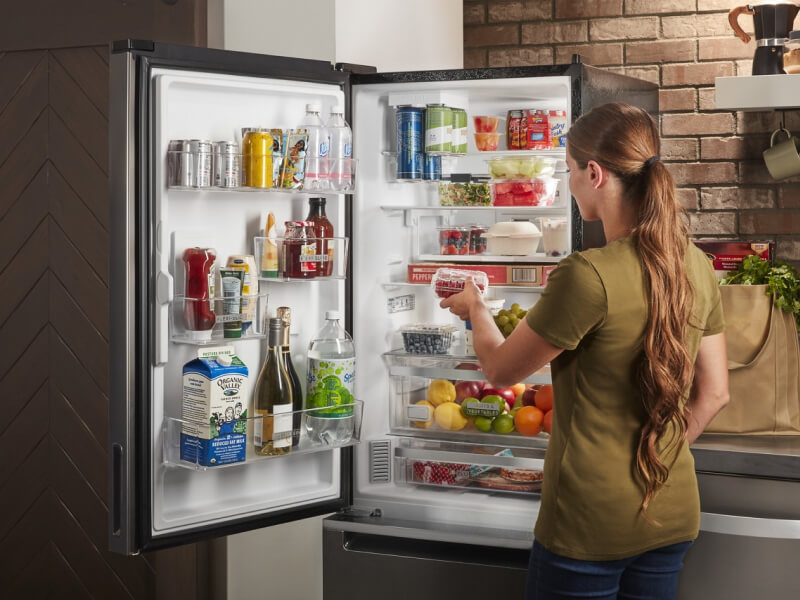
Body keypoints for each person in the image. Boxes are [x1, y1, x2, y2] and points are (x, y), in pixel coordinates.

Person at [441, 103, 730, 600]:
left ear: (594, 173)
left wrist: (475, 309)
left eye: (570, 172)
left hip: (589, 523)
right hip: (672, 510)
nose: (570, 185)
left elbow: (499, 368)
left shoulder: (587, 274)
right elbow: (716, 394)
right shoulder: (696, 264)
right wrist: (660, 451)